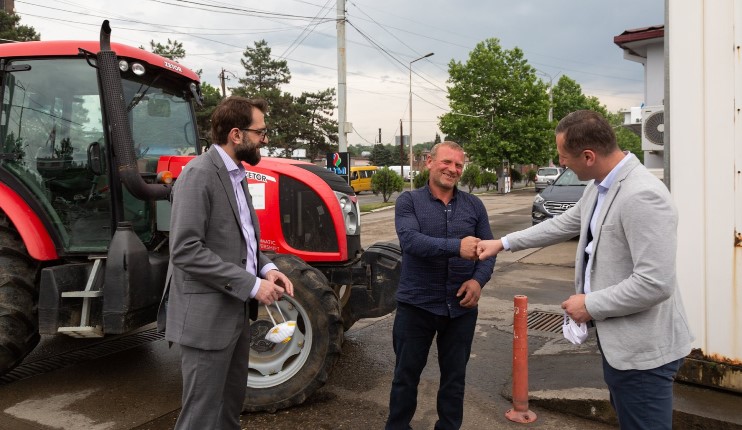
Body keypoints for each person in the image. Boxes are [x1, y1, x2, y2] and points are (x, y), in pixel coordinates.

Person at [477, 110, 693, 430]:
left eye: (564, 157)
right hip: (621, 346)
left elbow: (655, 283)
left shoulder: (642, 195)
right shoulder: (600, 185)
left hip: (644, 354)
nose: (561, 163)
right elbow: (565, 223)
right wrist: (503, 243)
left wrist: (590, 304)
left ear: (589, 156)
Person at [157, 96, 294, 430]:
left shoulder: (237, 175)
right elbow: (185, 250)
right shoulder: (199, 174)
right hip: (206, 321)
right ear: (236, 134)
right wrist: (252, 285)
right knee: (200, 417)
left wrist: (267, 269)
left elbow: (241, 242)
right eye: (260, 132)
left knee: (229, 411)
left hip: (234, 312)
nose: (264, 139)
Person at [385, 141, 496, 430]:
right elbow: (410, 241)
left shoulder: (474, 205)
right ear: (429, 162)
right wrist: (456, 247)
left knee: (454, 379)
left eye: (459, 165)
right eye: (447, 162)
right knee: (405, 376)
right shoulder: (409, 202)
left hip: (460, 308)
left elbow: (488, 250)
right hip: (416, 306)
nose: (453, 169)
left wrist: (478, 281)